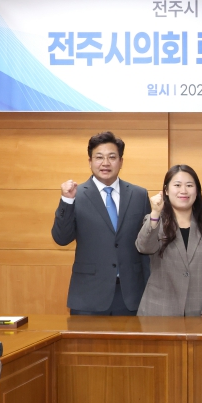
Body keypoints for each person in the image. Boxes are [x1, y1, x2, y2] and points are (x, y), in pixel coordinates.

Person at [52, 131, 151, 315]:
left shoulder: (139, 195)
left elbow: (147, 246)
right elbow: (61, 238)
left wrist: (150, 292)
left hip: (131, 296)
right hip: (88, 296)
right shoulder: (76, 195)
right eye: (99, 157)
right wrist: (67, 201)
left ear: (121, 162)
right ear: (90, 162)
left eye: (112, 157)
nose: (105, 163)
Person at [136, 165, 202, 317]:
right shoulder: (154, 221)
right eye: (177, 185)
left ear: (197, 191)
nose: (183, 191)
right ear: (166, 190)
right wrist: (155, 213)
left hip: (199, 313)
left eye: (189, 185)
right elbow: (144, 247)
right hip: (158, 313)